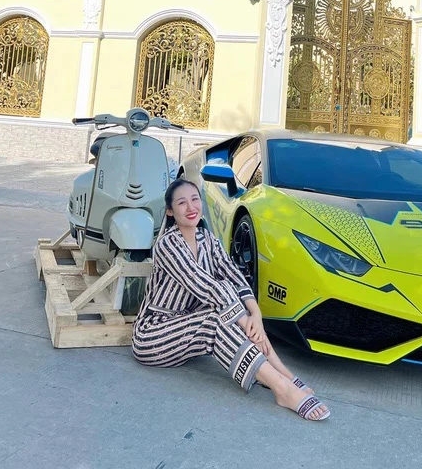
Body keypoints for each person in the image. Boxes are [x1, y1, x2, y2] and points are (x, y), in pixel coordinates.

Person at [132, 178, 330, 421]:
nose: (191, 207)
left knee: (227, 298)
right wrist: (246, 323)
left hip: (189, 327)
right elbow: (203, 285)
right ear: (170, 211)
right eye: (182, 203)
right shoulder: (167, 244)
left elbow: (233, 274)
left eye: (195, 199)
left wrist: (256, 315)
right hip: (154, 334)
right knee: (216, 316)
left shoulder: (207, 239)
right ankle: (282, 387)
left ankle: (284, 374)